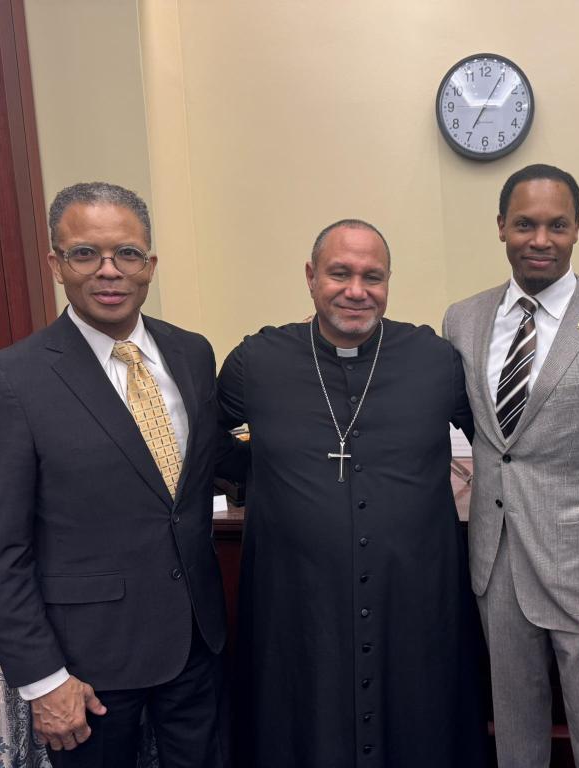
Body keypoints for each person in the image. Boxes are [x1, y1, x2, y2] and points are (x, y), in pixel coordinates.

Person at [0, 182, 227, 767]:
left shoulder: (192, 354)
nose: (110, 271)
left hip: (196, 643)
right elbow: (1, 551)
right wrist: (44, 680)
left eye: (127, 254)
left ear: (150, 265)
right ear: (56, 264)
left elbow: (204, 472)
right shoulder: (11, 381)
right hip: (86, 670)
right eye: (86, 253)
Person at [216, 219, 486, 767]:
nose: (357, 290)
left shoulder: (436, 361)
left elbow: (500, 445)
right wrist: (264, 475)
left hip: (413, 603)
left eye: (373, 276)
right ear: (312, 276)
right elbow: (207, 442)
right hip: (296, 606)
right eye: (340, 273)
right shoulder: (256, 362)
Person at [442, 164, 579, 768]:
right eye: (525, 224)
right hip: (494, 565)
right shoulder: (461, 320)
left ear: (577, 230)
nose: (540, 239)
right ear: (501, 228)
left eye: (557, 225)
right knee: (514, 740)